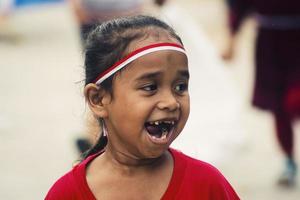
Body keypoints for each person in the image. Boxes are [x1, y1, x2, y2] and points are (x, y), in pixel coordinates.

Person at [45, 15, 240, 199]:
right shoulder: (67, 193)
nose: (171, 102)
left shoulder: (206, 184)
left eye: (180, 87)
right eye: (150, 87)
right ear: (98, 99)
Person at [69, 0, 167, 154]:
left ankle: (104, 140)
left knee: (132, 81)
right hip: (93, 17)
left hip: (130, 18)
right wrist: (75, 5)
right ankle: (95, 139)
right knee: (100, 81)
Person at [222, 0, 300, 186]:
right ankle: (288, 160)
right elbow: (239, 6)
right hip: (269, 46)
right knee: (279, 107)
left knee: (294, 100)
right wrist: (232, 40)